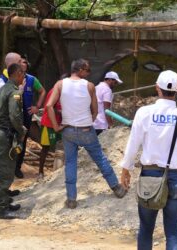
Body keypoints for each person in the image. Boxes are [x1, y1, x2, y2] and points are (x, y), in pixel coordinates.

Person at [120, 70, 177, 250]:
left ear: (157, 88)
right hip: (176, 178)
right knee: (173, 233)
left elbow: (133, 144)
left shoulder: (144, 113)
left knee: (146, 229)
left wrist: (126, 169)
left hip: (150, 177)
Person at [46, 59, 127, 209]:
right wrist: (87, 122)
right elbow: (96, 111)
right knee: (100, 159)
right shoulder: (89, 86)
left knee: (70, 162)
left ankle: (71, 199)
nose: (89, 73)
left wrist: (56, 127)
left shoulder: (60, 84)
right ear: (81, 69)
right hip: (86, 130)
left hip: (67, 130)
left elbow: (49, 105)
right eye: (87, 70)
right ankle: (117, 188)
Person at [0, 63, 27, 219]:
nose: (24, 77)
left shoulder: (0, 90)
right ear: (18, 73)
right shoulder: (14, 92)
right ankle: (2, 209)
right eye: (23, 74)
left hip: (1, 133)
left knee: (2, 170)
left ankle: (4, 201)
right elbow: (15, 116)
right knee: (6, 172)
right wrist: (22, 130)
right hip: (8, 136)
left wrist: (0, 128)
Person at [14, 57, 46, 178]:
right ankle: (8, 167)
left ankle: (17, 167)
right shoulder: (10, 78)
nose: (24, 64)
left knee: (22, 141)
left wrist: (37, 107)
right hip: (13, 116)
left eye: (26, 62)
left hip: (26, 116)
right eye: (22, 61)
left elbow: (42, 91)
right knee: (12, 141)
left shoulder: (32, 79)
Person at [38, 87, 62, 179]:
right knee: (45, 148)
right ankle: (40, 172)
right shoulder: (54, 92)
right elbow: (49, 107)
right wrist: (61, 112)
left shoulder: (66, 92)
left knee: (61, 148)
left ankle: (58, 171)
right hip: (49, 124)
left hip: (60, 123)